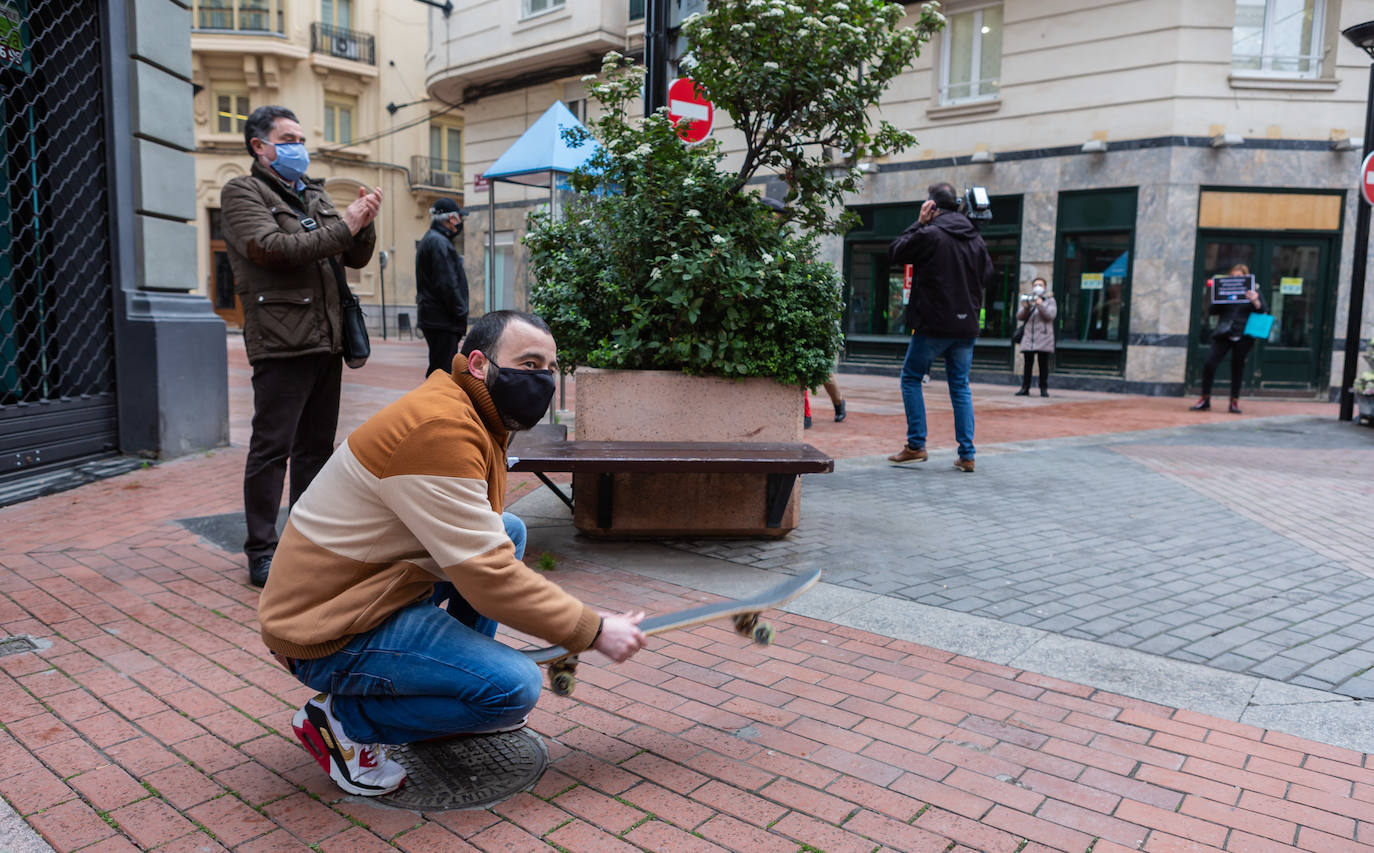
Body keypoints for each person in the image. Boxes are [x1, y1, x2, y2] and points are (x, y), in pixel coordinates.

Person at [257, 310, 647, 797]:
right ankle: (342, 721)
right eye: (528, 363)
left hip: (367, 587)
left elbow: (486, 546)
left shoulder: (471, 412)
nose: (542, 379)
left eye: (549, 367)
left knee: (510, 529)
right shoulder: (440, 429)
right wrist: (592, 629)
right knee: (513, 689)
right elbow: (488, 575)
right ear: (480, 364)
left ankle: (454, 685)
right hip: (325, 627)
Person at [221, 105, 382, 587]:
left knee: (315, 449)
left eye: (300, 138)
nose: (298, 147)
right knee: (273, 448)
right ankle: (262, 551)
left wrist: (364, 221)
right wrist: (345, 225)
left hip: (325, 337)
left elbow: (353, 253)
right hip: (281, 339)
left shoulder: (311, 192)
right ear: (260, 146)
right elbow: (276, 249)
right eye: (288, 138)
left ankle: (307, 544)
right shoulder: (241, 192)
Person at [886, 182, 993, 473]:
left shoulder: (930, 234)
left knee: (910, 378)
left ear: (931, 206)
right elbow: (987, 276)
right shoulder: (976, 238)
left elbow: (895, 252)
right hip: (966, 326)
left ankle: (916, 445)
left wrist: (917, 224)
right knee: (960, 387)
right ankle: (967, 454)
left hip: (933, 325)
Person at [759, 197, 846, 428]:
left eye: (771, 215)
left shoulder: (788, 245)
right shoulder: (761, 243)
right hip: (782, 313)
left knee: (821, 368)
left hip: (804, 314)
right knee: (800, 366)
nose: (766, 219)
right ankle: (805, 414)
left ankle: (838, 402)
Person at [1191, 263, 1268, 414]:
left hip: (1244, 334)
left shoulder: (1254, 290)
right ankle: (1205, 399)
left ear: (1246, 277)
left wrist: (1255, 300)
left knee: (1237, 368)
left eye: (1239, 277)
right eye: (1232, 276)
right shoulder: (1224, 289)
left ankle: (1234, 402)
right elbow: (1212, 311)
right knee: (1209, 364)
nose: (1235, 279)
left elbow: (1264, 310)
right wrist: (1220, 298)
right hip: (1224, 332)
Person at [415, 198, 470, 377]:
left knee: (440, 369)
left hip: (437, 318)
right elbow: (446, 284)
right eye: (459, 218)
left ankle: (434, 403)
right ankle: (434, 404)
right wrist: (460, 312)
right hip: (442, 320)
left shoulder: (433, 240)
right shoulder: (439, 243)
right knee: (442, 372)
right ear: (451, 218)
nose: (460, 222)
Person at [1014, 276, 1056, 397]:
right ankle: (1025, 388)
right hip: (1029, 338)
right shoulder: (1029, 299)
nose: (1038, 287)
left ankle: (1043, 388)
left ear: (1045, 287)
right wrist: (1027, 306)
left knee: (1043, 365)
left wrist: (1040, 304)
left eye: (1041, 285)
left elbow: (1050, 315)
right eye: (1036, 284)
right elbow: (1019, 316)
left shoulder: (1050, 300)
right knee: (1028, 365)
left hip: (1044, 337)